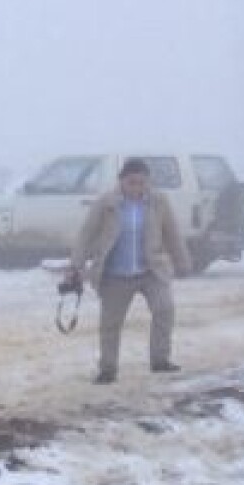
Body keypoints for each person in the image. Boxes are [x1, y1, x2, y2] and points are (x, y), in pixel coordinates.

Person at [66, 157, 191, 384]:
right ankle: (108, 369)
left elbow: (172, 233)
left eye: (142, 182)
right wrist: (76, 266)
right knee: (110, 323)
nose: (137, 187)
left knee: (164, 309)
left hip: (150, 271)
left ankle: (160, 360)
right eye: (132, 182)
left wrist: (182, 262)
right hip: (115, 275)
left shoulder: (158, 202)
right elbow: (86, 235)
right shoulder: (106, 204)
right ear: (121, 181)